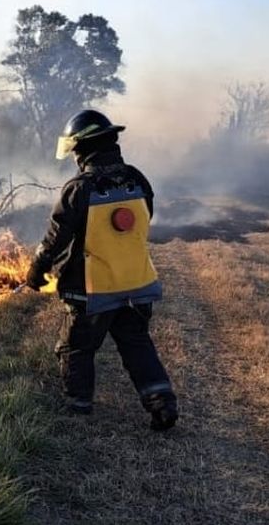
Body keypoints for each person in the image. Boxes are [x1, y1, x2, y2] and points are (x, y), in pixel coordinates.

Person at [23, 110, 178, 430]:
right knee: (137, 344)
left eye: (76, 150)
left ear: (83, 149)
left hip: (93, 289)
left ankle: (78, 406)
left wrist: (38, 267)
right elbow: (143, 220)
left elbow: (56, 237)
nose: (75, 157)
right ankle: (162, 403)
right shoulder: (137, 179)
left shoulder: (79, 188)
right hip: (137, 284)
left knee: (76, 347)